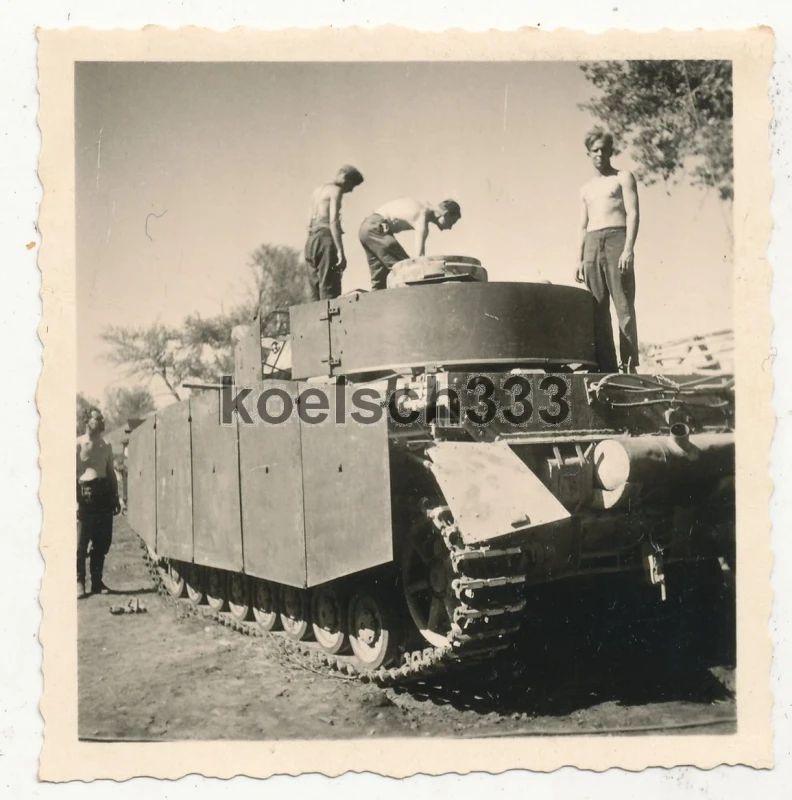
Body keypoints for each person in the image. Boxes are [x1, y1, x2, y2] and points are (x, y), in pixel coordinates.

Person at [575, 128, 640, 373]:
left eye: (604, 149)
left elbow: (633, 213)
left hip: (616, 239)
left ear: (611, 151)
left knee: (624, 306)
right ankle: (607, 367)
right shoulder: (586, 188)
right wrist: (579, 259)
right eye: (595, 150)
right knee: (597, 308)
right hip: (592, 243)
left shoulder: (623, 177)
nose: (600, 154)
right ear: (588, 153)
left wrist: (628, 249)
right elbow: (582, 225)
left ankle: (629, 366)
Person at [359, 198, 462, 290]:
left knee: (380, 281)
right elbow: (419, 258)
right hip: (377, 227)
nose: (450, 227)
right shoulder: (422, 215)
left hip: (366, 227)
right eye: (451, 222)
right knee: (407, 269)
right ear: (446, 214)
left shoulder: (424, 205)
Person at [76, 408, 121, 598]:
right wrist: (74, 502)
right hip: (84, 496)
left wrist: (116, 497)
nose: (101, 422)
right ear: (87, 421)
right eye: (97, 419)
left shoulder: (106, 445)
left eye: (102, 419)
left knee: (102, 541)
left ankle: (96, 582)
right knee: (80, 542)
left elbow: (110, 473)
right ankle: (79, 582)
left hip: (103, 495)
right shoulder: (78, 444)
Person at [304, 165, 364, 301]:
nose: (350, 190)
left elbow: (308, 224)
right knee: (330, 287)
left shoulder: (317, 191)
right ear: (345, 178)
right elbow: (333, 221)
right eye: (352, 185)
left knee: (314, 290)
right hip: (325, 238)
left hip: (311, 240)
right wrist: (340, 252)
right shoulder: (336, 191)